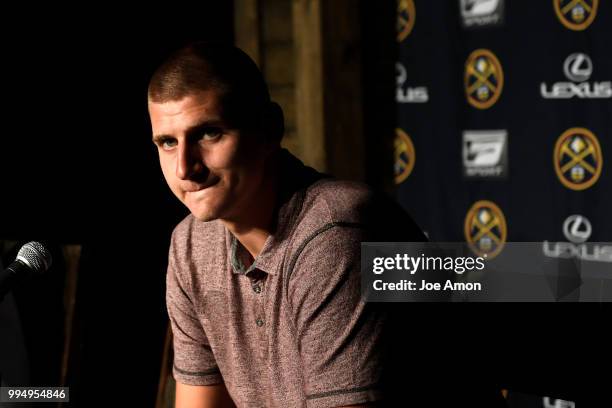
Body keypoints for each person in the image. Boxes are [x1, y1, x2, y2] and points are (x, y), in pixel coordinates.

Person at [148, 42, 427, 407]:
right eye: (167, 142)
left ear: (269, 130)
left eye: (208, 134)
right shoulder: (189, 245)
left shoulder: (333, 232)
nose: (185, 168)